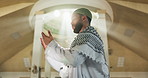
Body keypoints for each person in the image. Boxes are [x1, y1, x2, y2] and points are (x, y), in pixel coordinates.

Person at [40, 8, 109, 78]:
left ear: (83, 18)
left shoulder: (89, 36)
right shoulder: (81, 42)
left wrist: (52, 45)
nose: (71, 23)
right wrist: (49, 50)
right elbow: (66, 70)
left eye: (73, 19)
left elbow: (74, 60)